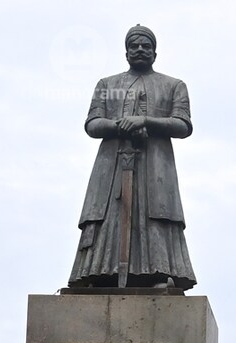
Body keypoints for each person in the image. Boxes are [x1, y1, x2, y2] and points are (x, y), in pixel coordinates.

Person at [67, 25, 196, 291]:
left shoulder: (173, 85)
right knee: (107, 214)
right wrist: (119, 126)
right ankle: (100, 272)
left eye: (145, 46)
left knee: (155, 214)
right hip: (111, 164)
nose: (139, 50)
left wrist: (145, 120)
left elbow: (183, 125)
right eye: (134, 46)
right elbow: (92, 124)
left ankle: (160, 272)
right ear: (126, 53)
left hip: (155, 165)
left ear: (155, 53)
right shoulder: (107, 85)